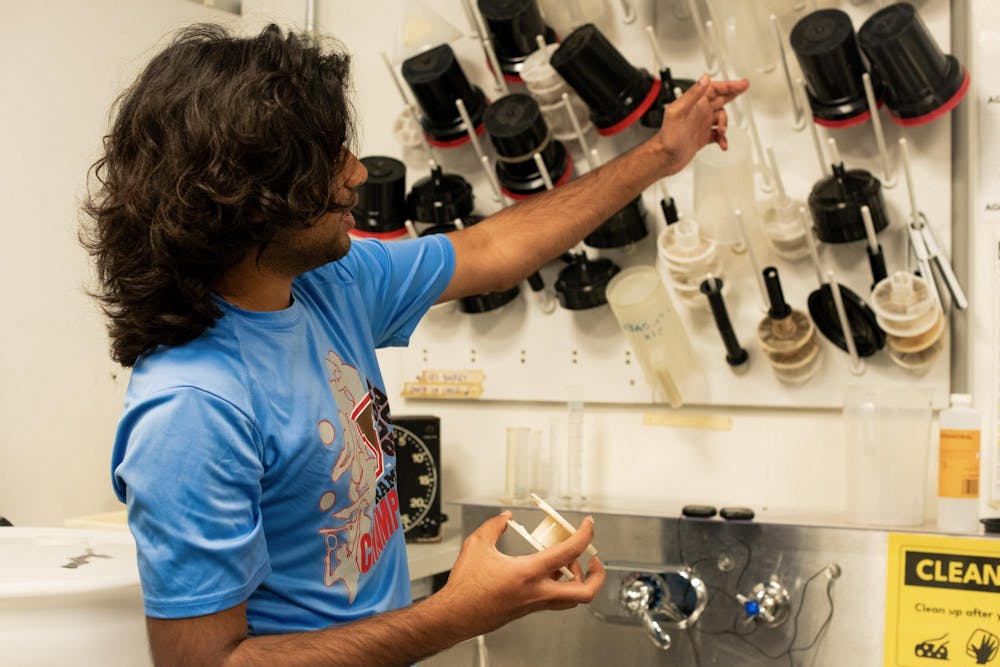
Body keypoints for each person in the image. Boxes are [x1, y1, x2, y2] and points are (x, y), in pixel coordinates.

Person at [81, 22, 747, 667]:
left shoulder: (327, 283)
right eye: (327, 158)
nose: (356, 174)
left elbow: (491, 247)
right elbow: (206, 664)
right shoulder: (192, 408)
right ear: (254, 202)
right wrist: (458, 611)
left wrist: (662, 153)